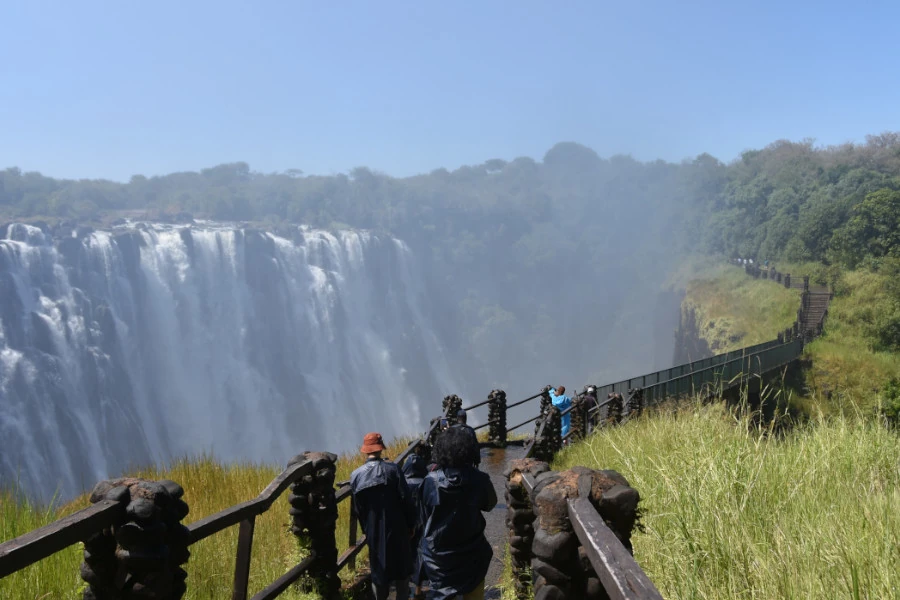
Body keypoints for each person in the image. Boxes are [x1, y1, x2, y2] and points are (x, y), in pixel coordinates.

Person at [419, 427, 498, 600]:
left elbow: (424, 514)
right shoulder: (480, 479)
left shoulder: (430, 481)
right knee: (474, 594)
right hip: (472, 554)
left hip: (439, 558)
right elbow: (490, 504)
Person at [350, 432, 416, 600]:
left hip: (374, 530)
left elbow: (359, 510)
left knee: (378, 571)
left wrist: (366, 530)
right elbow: (406, 500)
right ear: (381, 449)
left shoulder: (356, 476)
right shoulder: (393, 470)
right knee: (402, 572)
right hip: (398, 527)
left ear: (365, 451)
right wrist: (411, 525)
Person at [402, 446, 429, 598]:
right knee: (421, 555)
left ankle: (406, 588)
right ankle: (419, 589)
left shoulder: (402, 484)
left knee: (407, 555)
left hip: (407, 526)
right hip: (424, 524)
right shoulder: (427, 482)